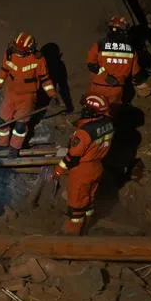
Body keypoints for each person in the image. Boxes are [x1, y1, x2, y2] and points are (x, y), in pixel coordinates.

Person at [52, 94, 114, 235]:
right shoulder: (108, 124)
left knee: (77, 202)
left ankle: (72, 232)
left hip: (82, 169)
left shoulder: (85, 132)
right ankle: (87, 225)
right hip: (98, 165)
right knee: (89, 197)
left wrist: (58, 170)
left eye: (85, 107)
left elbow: (73, 156)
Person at [0, 32, 60, 155]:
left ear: (30, 50)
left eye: (20, 50)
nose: (17, 51)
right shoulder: (9, 54)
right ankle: (2, 144)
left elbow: (45, 80)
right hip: (11, 94)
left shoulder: (38, 60)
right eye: (16, 48)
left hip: (27, 98)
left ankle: (15, 147)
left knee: (20, 127)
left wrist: (52, 95)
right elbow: (4, 71)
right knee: (2, 121)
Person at [86, 16, 149, 112]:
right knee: (111, 113)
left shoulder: (99, 45)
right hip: (116, 89)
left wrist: (105, 76)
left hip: (97, 87)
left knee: (91, 112)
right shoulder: (131, 50)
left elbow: (91, 65)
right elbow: (136, 74)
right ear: (124, 31)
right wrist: (141, 84)